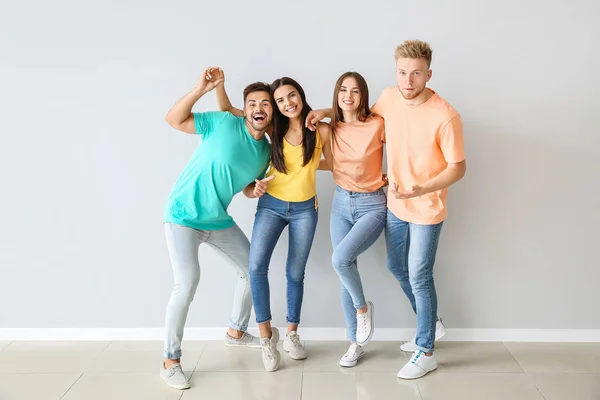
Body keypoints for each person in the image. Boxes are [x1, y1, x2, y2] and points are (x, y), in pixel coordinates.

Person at [307, 40, 466, 379]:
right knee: (397, 267)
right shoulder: (391, 97)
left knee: (420, 275)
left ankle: (425, 350)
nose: (408, 81)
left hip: (426, 207)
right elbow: (357, 117)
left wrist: (421, 187)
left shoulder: (446, 115)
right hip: (394, 203)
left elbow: (458, 167)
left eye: (416, 74)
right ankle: (430, 323)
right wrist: (322, 112)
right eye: (402, 73)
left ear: (429, 74)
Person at [161, 67, 273, 389]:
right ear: (244, 107)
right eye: (252, 103)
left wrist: (256, 190)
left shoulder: (266, 150)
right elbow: (174, 119)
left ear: (271, 112)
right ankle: (170, 360)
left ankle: (236, 332)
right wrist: (201, 89)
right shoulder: (223, 122)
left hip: (217, 218)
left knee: (254, 269)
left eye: (264, 104)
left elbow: (246, 187)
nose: (258, 109)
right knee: (187, 284)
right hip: (183, 214)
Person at [217, 75, 331, 372]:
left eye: (291, 96)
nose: (287, 103)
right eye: (280, 100)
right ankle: (267, 338)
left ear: (301, 95)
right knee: (256, 267)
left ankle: (292, 335)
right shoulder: (272, 126)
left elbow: (335, 159)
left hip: (306, 209)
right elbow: (229, 109)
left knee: (295, 272)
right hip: (271, 206)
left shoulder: (321, 129)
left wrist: (323, 116)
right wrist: (218, 86)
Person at [319, 72, 387, 367]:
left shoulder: (377, 124)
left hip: (372, 204)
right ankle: (354, 343)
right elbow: (325, 163)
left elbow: (403, 150)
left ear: (364, 96)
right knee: (344, 270)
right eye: (343, 90)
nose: (348, 95)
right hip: (340, 203)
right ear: (336, 94)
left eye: (355, 91)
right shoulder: (329, 128)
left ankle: (362, 310)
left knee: (339, 259)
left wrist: (394, 178)